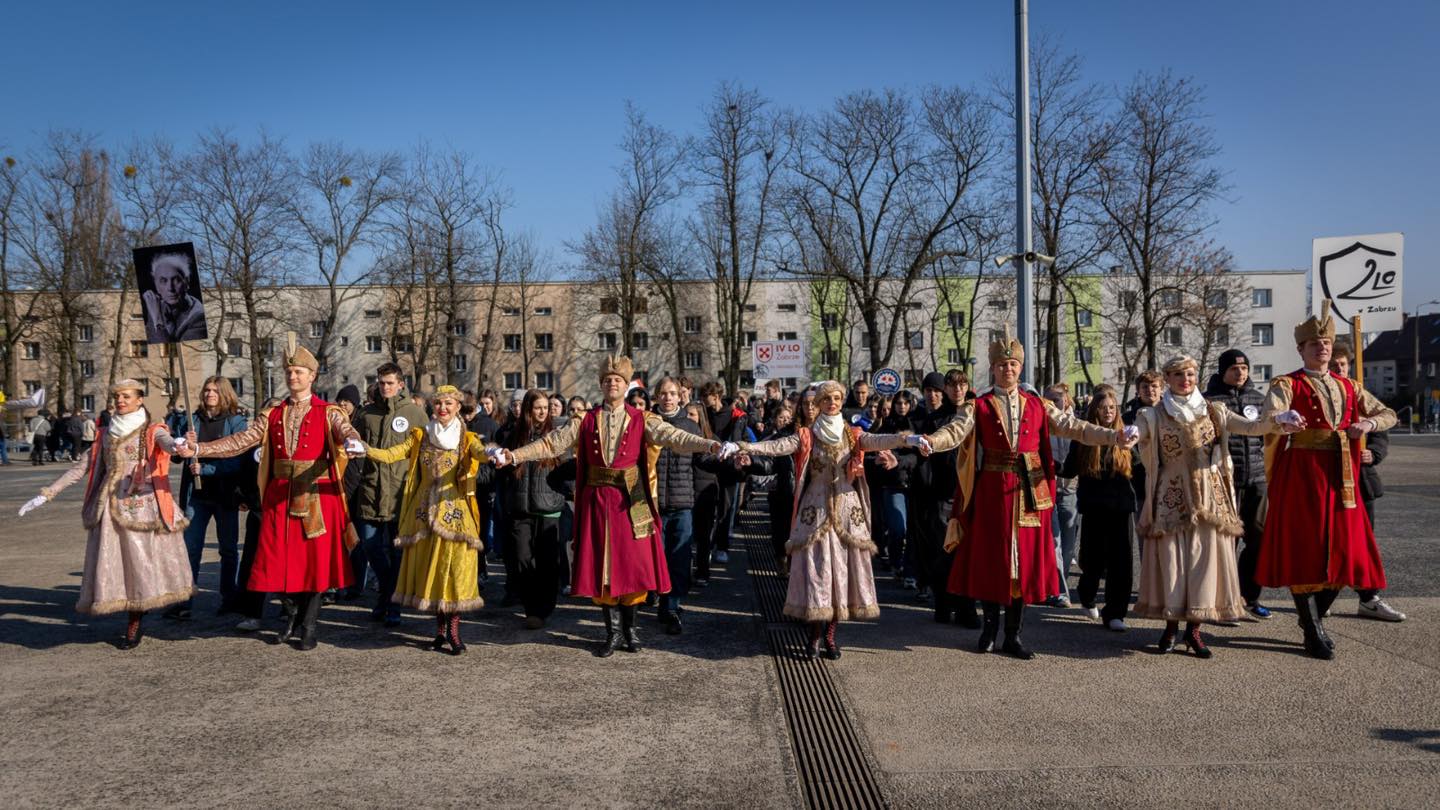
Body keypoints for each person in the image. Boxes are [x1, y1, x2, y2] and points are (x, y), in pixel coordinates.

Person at [494, 355, 727, 657]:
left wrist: (709, 444)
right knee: (603, 566)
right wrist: (514, 455)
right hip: (598, 501)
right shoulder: (586, 420)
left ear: (625, 385)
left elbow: (675, 437)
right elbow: (551, 443)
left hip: (634, 499)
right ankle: (612, 633)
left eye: (617, 380)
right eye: (607, 380)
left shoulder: (643, 419)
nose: (612, 383)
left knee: (634, 564)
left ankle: (631, 632)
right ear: (601, 385)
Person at [923, 331, 1133, 660]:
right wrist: (931, 442)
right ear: (993, 369)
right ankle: (989, 630)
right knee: (994, 560)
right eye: (1002, 364)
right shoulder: (977, 405)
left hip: (1029, 490)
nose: (1008, 369)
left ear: (1020, 368)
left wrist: (1113, 436)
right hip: (993, 491)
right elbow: (954, 431)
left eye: (1013, 364)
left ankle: (1013, 634)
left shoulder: (1038, 404)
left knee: (1022, 564)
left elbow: (1075, 426)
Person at [183, 335, 365, 651]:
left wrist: (352, 440)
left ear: (312, 376)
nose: (293, 377)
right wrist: (200, 448)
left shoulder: (329, 411)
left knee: (313, 566)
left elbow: (345, 429)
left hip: (316, 496)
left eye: (299, 372)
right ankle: (292, 616)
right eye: (290, 372)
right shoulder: (273, 413)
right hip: (279, 496)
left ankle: (308, 625)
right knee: (278, 562)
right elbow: (240, 441)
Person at [737, 381, 929, 660]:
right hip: (814, 511)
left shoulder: (852, 433)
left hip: (846, 512)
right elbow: (777, 446)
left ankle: (830, 636)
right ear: (819, 403)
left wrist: (907, 439)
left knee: (841, 574)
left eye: (837, 398)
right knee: (817, 572)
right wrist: (743, 446)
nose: (833, 403)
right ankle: (814, 635)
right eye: (828, 399)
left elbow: (878, 440)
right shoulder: (807, 434)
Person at [1130, 356, 1301, 658]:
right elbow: (1139, 436)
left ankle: (1193, 630)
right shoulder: (1153, 415)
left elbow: (1252, 426)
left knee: (1203, 564)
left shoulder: (1215, 411)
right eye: (1179, 374)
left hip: (1211, 496)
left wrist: (1279, 420)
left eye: (1191, 374)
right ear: (1168, 379)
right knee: (1172, 564)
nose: (1186, 379)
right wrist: (1130, 435)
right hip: (1171, 497)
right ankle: (1170, 626)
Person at [1257, 302, 1398, 660]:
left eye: (1326, 343)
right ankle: (1313, 627)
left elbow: (1388, 413)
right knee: (1307, 547)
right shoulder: (1287, 383)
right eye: (1314, 343)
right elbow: (1269, 415)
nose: (1321, 347)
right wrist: (1283, 417)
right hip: (1303, 473)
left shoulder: (1350, 386)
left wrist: (1367, 424)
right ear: (1301, 349)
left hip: (1342, 474)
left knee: (1346, 550)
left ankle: (1312, 618)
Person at [18, 380, 194, 649]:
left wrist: (180, 444)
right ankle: (133, 611)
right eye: (117, 397)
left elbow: (167, 444)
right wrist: (47, 493)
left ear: (139, 400)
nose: (120, 401)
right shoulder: (105, 434)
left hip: (143, 505)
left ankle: (136, 617)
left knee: (141, 562)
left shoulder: (151, 429)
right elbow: (80, 469)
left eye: (126, 396)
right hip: (111, 508)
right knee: (118, 564)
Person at [362, 385, 490, 654]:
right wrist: (365, 449)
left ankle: (454, 633)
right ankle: (440, 632)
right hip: (422, 515)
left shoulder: (466, 438)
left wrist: (494, 454)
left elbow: (480, 452)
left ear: (457, 407)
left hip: (454, 514)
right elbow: (392, 454)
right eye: (439, 404)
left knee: (453, 572)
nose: (442, 408)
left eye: (448, 404)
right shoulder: (421, 436)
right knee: (432, 572)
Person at [1330, 341, 1406, 623]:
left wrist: (1372, 454)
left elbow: (1382, 430)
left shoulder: (1359, 394)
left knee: (1363, 544)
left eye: (1343, 364)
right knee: (1332, 542)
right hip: (1333, 482)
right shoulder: (1326, 396)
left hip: (1362, 484)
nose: (1339, 368)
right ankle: (1323, 597)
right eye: (1334, 364)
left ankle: (1369, 598)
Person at [352, 363, 428, 626]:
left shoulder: (415, 414)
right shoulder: (366, 413)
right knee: (370, 546)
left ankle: (393, 606)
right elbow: (353, 446)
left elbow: (425, 454)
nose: (385, 387)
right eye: (381, 382)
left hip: (401, 494)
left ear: (401, 384)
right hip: (371, 492)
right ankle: (387, 593)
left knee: (397, 553)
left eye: (389, 383)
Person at [171, 377, 249, 619]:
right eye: (206, 390)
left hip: (225, 494)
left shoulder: (236, 422)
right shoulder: (192, 421)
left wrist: (206, 469)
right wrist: (182, 443)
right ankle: (184, 601)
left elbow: (238, 458)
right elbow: (174, 455)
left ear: (224, 393)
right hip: (197, 496)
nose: (209, 394)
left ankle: (229, 597)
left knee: (228, 550)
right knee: (190, 549)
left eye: (215, 390)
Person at [1203, 348, 1273, 619]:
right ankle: (1222, 599)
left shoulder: (1258, 398)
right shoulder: (1210, 401)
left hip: (1256, 480)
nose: (1240, 372)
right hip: (1224, 482)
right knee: (1225, 542)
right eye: (1234, 368)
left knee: (1259, 539)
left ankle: (1249, 596)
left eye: (1244, 368)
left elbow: (1267, 438)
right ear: (1223, 371)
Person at [1063, 385, 1136, 630]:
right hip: (1094, 507)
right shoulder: (1084, 437)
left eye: (1112, 408)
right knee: (1093, 561)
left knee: (1121, 563)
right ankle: (1087, 595)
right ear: (1095, 410)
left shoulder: (1127, 435)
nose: (1108, 412)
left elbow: (1141, 469)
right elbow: (1069, 468)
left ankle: (1116, 613)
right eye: (1103, 408)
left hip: (1122, 507)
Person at [499, 389, 568, 630]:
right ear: (528, 409)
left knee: (548, 562)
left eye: (546, 407)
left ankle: (543, 609)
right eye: (537, 407)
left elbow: (567, 466)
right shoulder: (513, 434)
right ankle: (530, 607)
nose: (543, 412)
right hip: (520, 507)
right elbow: (504, 467)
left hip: (548, 506)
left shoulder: (557, 434)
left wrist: (569, 490)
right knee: (521, 558)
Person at [651, 377, 706, 635]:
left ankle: (672, 607)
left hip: (682, 503)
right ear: (657, 396)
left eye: (672, 393)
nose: (668, 398)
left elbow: (702, 460)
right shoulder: (646, 424)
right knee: (655, 558)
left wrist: (731, 463)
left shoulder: (690, 426)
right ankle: (659, 599)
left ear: (679, 396)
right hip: (652, 504)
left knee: (679, 558)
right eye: (663, 393)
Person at [867, 390, 920, 589]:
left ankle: (908, 570)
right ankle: (896, 562)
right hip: (892, 484)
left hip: (914, 484)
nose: (902, 406)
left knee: (912, 531)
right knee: (899, 529)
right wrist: (882, 461)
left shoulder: (917, 424)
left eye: (906, 403)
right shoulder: (886, 426)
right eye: (898, 403)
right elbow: (872, 452)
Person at [701, 382, 747, 566]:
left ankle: (722, 547)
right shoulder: (705, 414)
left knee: (725, 509)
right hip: (710, 467)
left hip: (728, 468)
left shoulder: (734, 415)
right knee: (709, 508)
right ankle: (708, 546)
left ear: (716, 396)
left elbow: (739, 439)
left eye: (706, 396)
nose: (704, 400)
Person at [1045, 384, 1080, 608]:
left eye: (1056, 400)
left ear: (1066, 401)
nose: (1051, 404)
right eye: (1047, 400)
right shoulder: (1042, 423)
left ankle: (1061, 582)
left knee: (1068, 544)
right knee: (1054, 541)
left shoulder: (1076, 424)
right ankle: (1059, 591)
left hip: (1071, 488)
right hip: (1046, 488)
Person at [141, 250, 206, 343]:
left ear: (187, 282)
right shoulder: (156, 306)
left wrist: (157, 318)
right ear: (156, 285)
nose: (170, 288)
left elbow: (164, 347)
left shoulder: (199, 317)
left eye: (176, 280)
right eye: (163, 280)